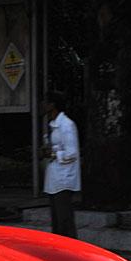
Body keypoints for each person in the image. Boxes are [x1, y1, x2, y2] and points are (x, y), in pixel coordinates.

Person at [42, 90, 80, 238]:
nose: (43, 105)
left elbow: (71, 153)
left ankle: (71, 250)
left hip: (64, 179)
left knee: (64, 219)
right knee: (57, 220)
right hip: (55, 179)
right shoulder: (53, 125)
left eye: (46, 102)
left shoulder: (66, 125)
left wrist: (53, 153)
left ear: (53, 105)